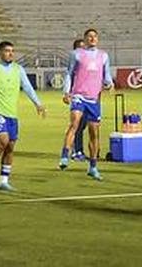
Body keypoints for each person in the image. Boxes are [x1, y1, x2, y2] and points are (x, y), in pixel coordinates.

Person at [0, 41, 46, 191]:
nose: (11, 53)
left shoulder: (18, 69)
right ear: (0, 52)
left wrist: (38, 103)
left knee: (10, 147)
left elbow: (27, 87)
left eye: (12, 51)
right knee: (3, 141)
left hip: (12, 114)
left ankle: (3, 181)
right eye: (7, 51)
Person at [60, 28, 113, 180]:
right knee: (74, 123)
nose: (92, 38)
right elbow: (69, 73)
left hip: (94, 99)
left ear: (97, 39)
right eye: (89, 36)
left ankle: (93, 166)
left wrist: (109, 83)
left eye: (95, 36)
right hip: (79, 96)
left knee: (93, 133)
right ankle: (65, 155)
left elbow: (106, 75)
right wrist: (66, 92)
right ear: (85, 39)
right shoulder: (77, 54)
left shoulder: (103, 56)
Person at [68, 37, 86, 160]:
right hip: (77, 97)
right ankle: (76, 151)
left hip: (89, 98)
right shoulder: (74, 65)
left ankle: (80, 150)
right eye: (80, 48)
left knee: (84, 125)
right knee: (77, 125)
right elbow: (69, 77)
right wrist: (68, 93)